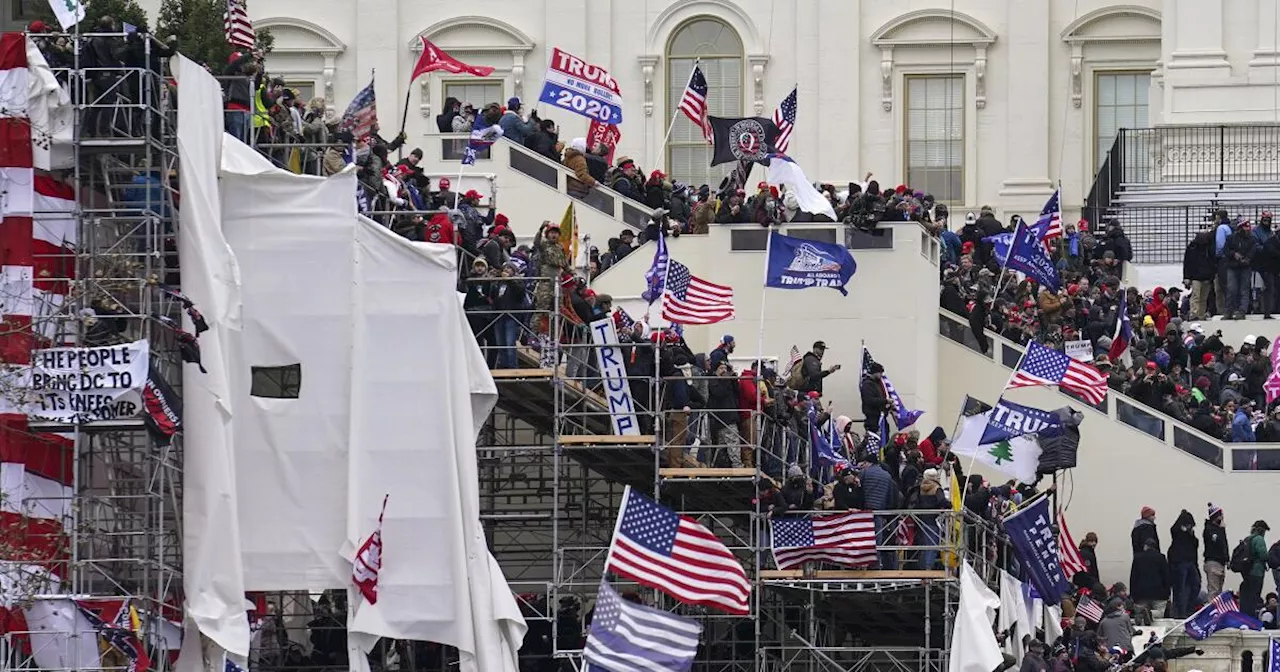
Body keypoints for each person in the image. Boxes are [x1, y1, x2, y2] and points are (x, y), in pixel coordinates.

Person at [1166, 510, 1201, 618]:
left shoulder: (1190, 537)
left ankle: (1188, 610)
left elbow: (1195, 545)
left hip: (1190, 562)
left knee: (1195, 585)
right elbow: (1174, 530)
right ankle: (1181, 613)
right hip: (1180, 563)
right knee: (1180, 589)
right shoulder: (1178, 533)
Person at [1130, 537, 1171, 619]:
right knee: (1159, 614)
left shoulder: (1138, 558)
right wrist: (1167, 593)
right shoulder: (1161, 557)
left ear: (1145, 546)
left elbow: (1133, 577)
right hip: (1159, 593)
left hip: (1141, 593)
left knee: (1141, 617)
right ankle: (1151, 614)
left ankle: (1146, 614)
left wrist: (1133, 594)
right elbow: (1166, 576)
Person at [1240, 520, 1270, 616]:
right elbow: (1263, 555)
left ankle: (1245, 617)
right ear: (1262, 530)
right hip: (1257, 572)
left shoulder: (1247, 539)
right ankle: (1251, 618)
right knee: (1254, 597)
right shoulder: (1259, 539)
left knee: (1247, 597)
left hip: (1247, 572)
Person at [1203, 503, 1228, 595]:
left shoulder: (1220, 530)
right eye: (1220, 515)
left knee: (1218, 592)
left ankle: (1217, 609)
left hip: (1221, 563)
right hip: (1213, 561)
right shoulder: (1209, 529)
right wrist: (1221, 531)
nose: (1222, 517)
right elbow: (1217, 541)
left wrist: (1227, 558)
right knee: (1213, 590)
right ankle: (1212, 608)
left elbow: (1224, 544)